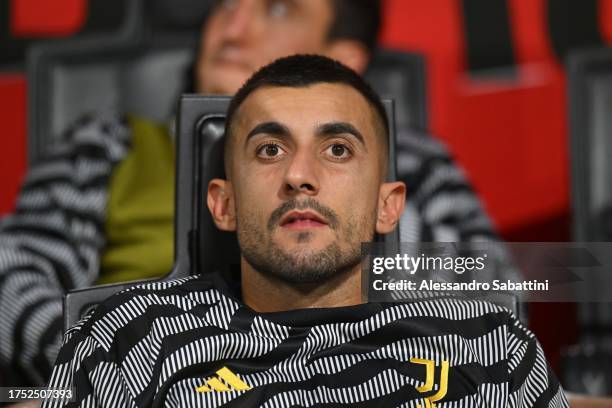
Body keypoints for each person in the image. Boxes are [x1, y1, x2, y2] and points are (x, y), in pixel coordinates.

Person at [0, 0, 517, 385]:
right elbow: (11, 275)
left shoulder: (412, 159)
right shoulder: (106, 145)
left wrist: (350, 193)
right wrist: (123, 361)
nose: (232, 26)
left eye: (275, 9)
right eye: (226, 5)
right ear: (220, 200)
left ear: (341, 56)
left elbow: (504, 288)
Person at [42, 55, 566, 408]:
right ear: (222, 204)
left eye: (337, 150)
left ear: (389, 208)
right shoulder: (127, 337)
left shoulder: (488, 342)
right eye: (270, 150)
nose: (299, 176)